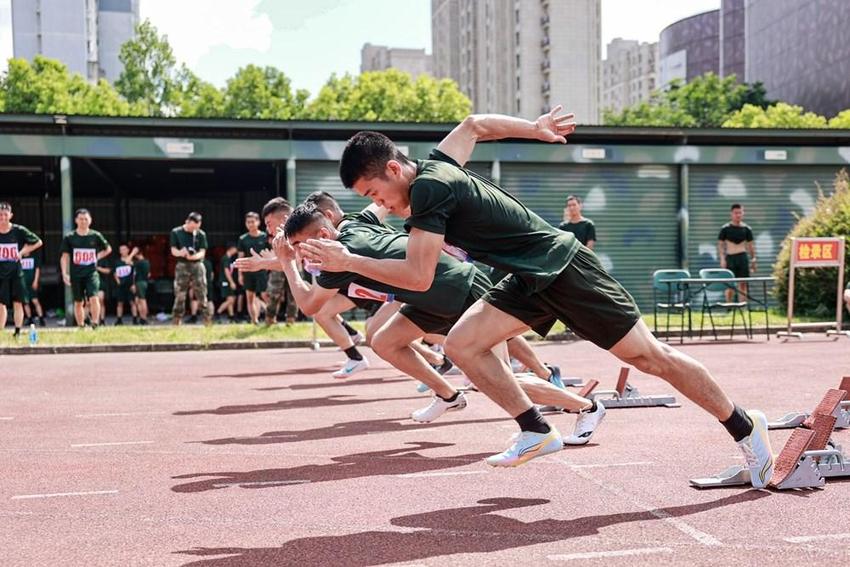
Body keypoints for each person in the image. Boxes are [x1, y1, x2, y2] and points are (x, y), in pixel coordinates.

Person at [299, 105, 774, 488]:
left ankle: (746, 427)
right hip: (525, 278)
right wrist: (536, 127)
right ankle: (534, 428)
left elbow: (419, 277)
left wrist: (350, 262)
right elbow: (474, 125)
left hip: (562, 268)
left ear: (393, 168)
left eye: (374, 191)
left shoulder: (428, 190)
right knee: (463, 345)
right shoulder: (437, 162)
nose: (376, 203)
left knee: (652, 358)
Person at [278, 202, 601, 434]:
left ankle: (586, 407)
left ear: (323, 233)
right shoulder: (352, 224)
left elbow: (308, 305)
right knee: (386, 341)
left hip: (461, 288)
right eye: (293, 249)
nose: (298, 252)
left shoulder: (338, 259)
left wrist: (287, 263)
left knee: (494, 378)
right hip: (427, 298)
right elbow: (382, 205)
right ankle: (448, 395)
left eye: (298, 246)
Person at [60, 208, 111, 329]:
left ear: (90, 220)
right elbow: (64, 257)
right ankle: (81, 325)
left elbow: (108, 248)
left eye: (86, 219)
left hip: (91, 272)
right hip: (76, 273)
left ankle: (95, 323)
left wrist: (97, 256)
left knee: (94, 297)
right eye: (81, 219)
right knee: (78, 301)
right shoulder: (70, 237)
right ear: (76, 220)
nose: (83, 221)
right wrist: (64, 273)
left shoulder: (95, 235)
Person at [0, 202, 43, 337]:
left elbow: (38, 242)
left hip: (16, 272)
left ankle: (17, 331)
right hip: (1, 273)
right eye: (0, 215)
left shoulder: (18, 230)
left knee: (18, 302)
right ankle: (1, 331)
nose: (2, 217)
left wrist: (22, 252)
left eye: (5, 215)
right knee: (1, 304)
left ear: (10, 215)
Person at [170, 212, 212, 325]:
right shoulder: (176, 232)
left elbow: (203, 252)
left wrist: (193, 256)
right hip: (182, 265)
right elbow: (173, 250)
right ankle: (176, 319)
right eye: (193, 227)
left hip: (197, 264)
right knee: (180, 293)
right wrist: (181, 253)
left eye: (197, 227)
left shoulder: (201, 234)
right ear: (188, 222)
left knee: (202, 292)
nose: (194, 229)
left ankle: (207, 319)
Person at [717, 204, 756, 302]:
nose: (738, 215)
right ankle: (729, 307)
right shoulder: (725, 229)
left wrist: (753, 259)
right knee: (730, 284)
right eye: (736, 213)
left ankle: (742, 307)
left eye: (740, 213)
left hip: (742, 257)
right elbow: (721, 245)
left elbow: (751, 245)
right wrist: (722, 259)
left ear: (743, 213)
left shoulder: (747, 229)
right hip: (730, 257)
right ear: (731, 214)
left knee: (743, 284)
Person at [238, 212, 271, 325]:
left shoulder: (265, 237)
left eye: (253, 221)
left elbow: (270, 254)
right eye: (248, 222)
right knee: (250, 297)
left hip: (262, 271)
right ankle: (254, 321)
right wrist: (240, 274)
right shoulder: (243, 239)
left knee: (265, 295)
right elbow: (241, 257)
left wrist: (268, 268)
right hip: (248, 271)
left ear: (258, 222)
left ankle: (271, 318)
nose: (251, 224)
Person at [113, 244, 137, 325]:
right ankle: (119, 319)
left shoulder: (131, 260)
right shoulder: (117, 262)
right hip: (121, 285)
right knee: (119, 303)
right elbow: (115, 273)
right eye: (121, 249)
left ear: (128, 250)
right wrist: (118, 281)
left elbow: (134, 274)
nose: (123, 251)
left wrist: (133, 284)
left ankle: (135, 319)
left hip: (130, 285)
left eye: (124, 249)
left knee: (132, 302)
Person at [21, 250, 46, 327]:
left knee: (35, 300)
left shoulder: (34, 257)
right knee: (25, 301)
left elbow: (37, 269)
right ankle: (29, 318)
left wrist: (35, 281)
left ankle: (41, 318)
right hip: (23, 282)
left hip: (32, 282)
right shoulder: (20, 257)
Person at [216, 243, 239, 322]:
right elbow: (226, 271)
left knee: (230, 298)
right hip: (225, 282)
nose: (236, 251)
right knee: (231, 300)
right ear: (231, 249)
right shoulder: (226, 258)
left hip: (227, 281)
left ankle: (231, 316)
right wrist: (231, 282)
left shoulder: (228, 258)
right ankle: (218, 313)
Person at [132, 249, 150, 325]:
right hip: (145, 281)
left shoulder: (139, 263)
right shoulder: (147, 262)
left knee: (142, 300)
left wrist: (132, 253)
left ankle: (144, 318)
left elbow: (127, 262)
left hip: (139, 282)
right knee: (139, 300)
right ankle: (142, 317)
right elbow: (149, 274)